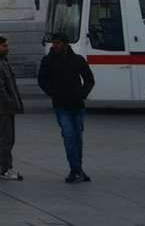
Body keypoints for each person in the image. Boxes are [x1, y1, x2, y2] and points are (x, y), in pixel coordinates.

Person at [36, 32, 94, 182]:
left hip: (77, 104)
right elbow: (42, 80)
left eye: (58, 43)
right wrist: (52, 92)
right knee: (68, 136)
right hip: (61, 105)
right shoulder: (48, 61)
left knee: (78, 138)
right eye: (54, 43)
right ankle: (75, 169)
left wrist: (82, 94)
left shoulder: (77, 60)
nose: (55, 46)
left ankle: (78, 169)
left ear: (66, 44)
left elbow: (89, 79)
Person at [0, 34, 24, 180]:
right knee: (5, 139)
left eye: (7, 45)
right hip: (2, 107)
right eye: (4, 46)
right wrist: (10, 101)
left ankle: (8, 167)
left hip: (8, 106)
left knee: (10, 138)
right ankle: (5, 169)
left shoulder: (3, 61)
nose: (7, 48)